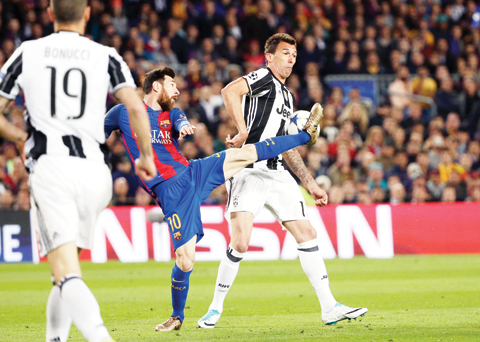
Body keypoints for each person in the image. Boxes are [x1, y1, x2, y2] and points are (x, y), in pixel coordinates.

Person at [104, 66, 324, 332]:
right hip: (170, 191)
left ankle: (304, 135)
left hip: (192, 172)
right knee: (186, 260)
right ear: (156, 86)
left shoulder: (170, 113)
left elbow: (179, 119)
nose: (177, 90)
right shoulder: (122, 114)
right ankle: (177, 316)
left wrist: (183, 126)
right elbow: (95, 134)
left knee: (245, 154)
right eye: (172, 84)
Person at [0, 1, 156, 342]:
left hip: (52, 169)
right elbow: (135, 107)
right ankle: (55, 339)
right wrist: (145, 157)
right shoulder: (107, 55)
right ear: (87, 14)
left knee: (66, 272)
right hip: (95, 174)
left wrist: (19, 135)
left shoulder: (28, 52)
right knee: (65, 271)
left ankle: (101, 338)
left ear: (50, 13)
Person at [198, 33, 368, 329]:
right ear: (269, 57)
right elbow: (229, 91)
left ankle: (329, 307)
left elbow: (285, 146)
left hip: (277, 173)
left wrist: (310, 183)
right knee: (240, 242)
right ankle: (214, 308)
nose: (291, 59)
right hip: (249, 169)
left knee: (308, 233)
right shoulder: (263, 77)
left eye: (294, 54)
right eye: (285, 53)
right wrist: (241, 130)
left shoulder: (288, 97)